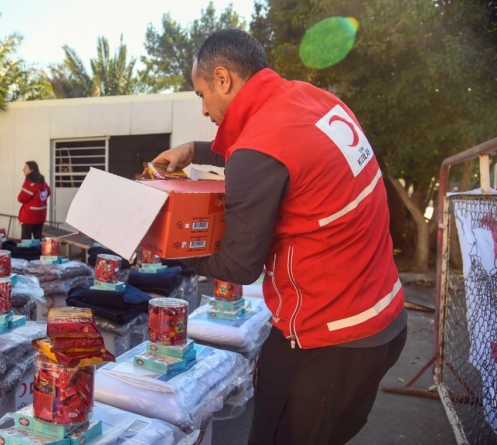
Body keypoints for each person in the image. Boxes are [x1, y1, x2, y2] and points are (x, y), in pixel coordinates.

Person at [152, 29, 406, 445]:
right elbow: (265, 150)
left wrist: (163, 246)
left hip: (326, 339)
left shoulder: (260, 148)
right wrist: (193, 150)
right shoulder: (312, 99)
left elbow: (238, 266)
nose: (203, 109)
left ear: (223, 79)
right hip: (383, 319)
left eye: (201, 95)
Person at [17, 161, 51, 240]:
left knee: (26, 241)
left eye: (25, 168)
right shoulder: (43, 183)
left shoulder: (30, 184)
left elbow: (21, 198)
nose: (23, 169)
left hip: (29, 217)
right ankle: (38, 252)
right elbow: (49, 192)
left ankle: (27, 253)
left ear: (31, 170)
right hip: (40, 216)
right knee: (38, 240)